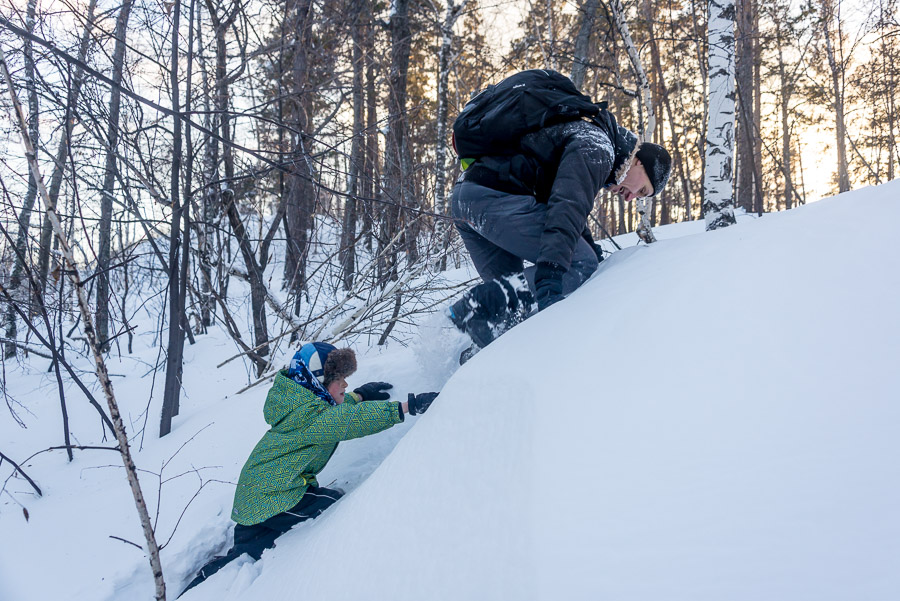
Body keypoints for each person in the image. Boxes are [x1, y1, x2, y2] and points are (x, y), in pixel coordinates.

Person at [180, 342, 438, 595]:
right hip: (276, 498)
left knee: (244, 554)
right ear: (318, 383)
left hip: (256, 496)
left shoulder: (299, 405)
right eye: (340, 380)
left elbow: (330, 411)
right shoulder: (311, 416)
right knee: (334, 507)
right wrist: (406, 407)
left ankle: (205, 580)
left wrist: (359, 395)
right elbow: (346, 421)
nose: (345, 385)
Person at [448, 82, 672, 356]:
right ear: (638, 161)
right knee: (579, 263)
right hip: (494, 199)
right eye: (642, 190)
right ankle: (476, 306)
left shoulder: (592, 142)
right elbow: (566, 207)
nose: (631, 197)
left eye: (640, 197)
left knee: (509, 319)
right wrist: (552, 272)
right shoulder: (598, 147)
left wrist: (589, 245)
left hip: (467, 198)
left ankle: (472, 369)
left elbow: (565, 201)